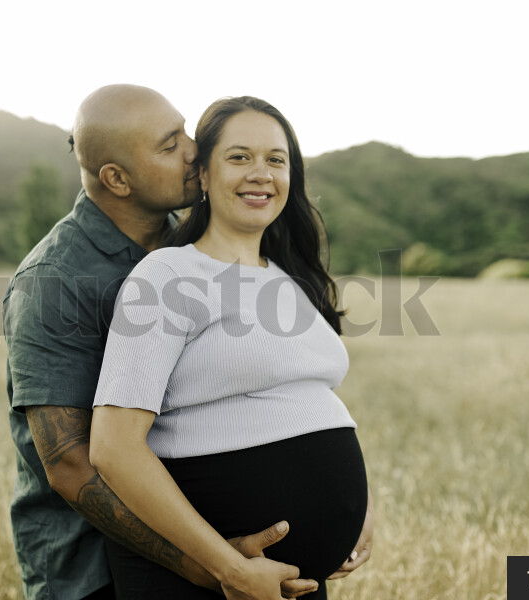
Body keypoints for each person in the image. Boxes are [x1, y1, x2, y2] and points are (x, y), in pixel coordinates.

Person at [3, 85, 336, 600]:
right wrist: (211, 567)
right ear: (116, 178)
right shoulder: (54, 280)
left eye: (184, 130)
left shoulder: (193, 243)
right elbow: (72, 462)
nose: (191, 149)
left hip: (223, 551)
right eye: (168, 145)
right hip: (97, 570)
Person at [89, 96, 374, 599]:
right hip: (212, 583)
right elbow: (113, 449)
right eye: (239, 157)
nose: (260, 173)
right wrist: (230, 569)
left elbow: (309, 405)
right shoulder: (168, 274)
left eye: (276, 159)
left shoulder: (293, 279)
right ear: (202, 175)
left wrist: (364, 509)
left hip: (295, 584)